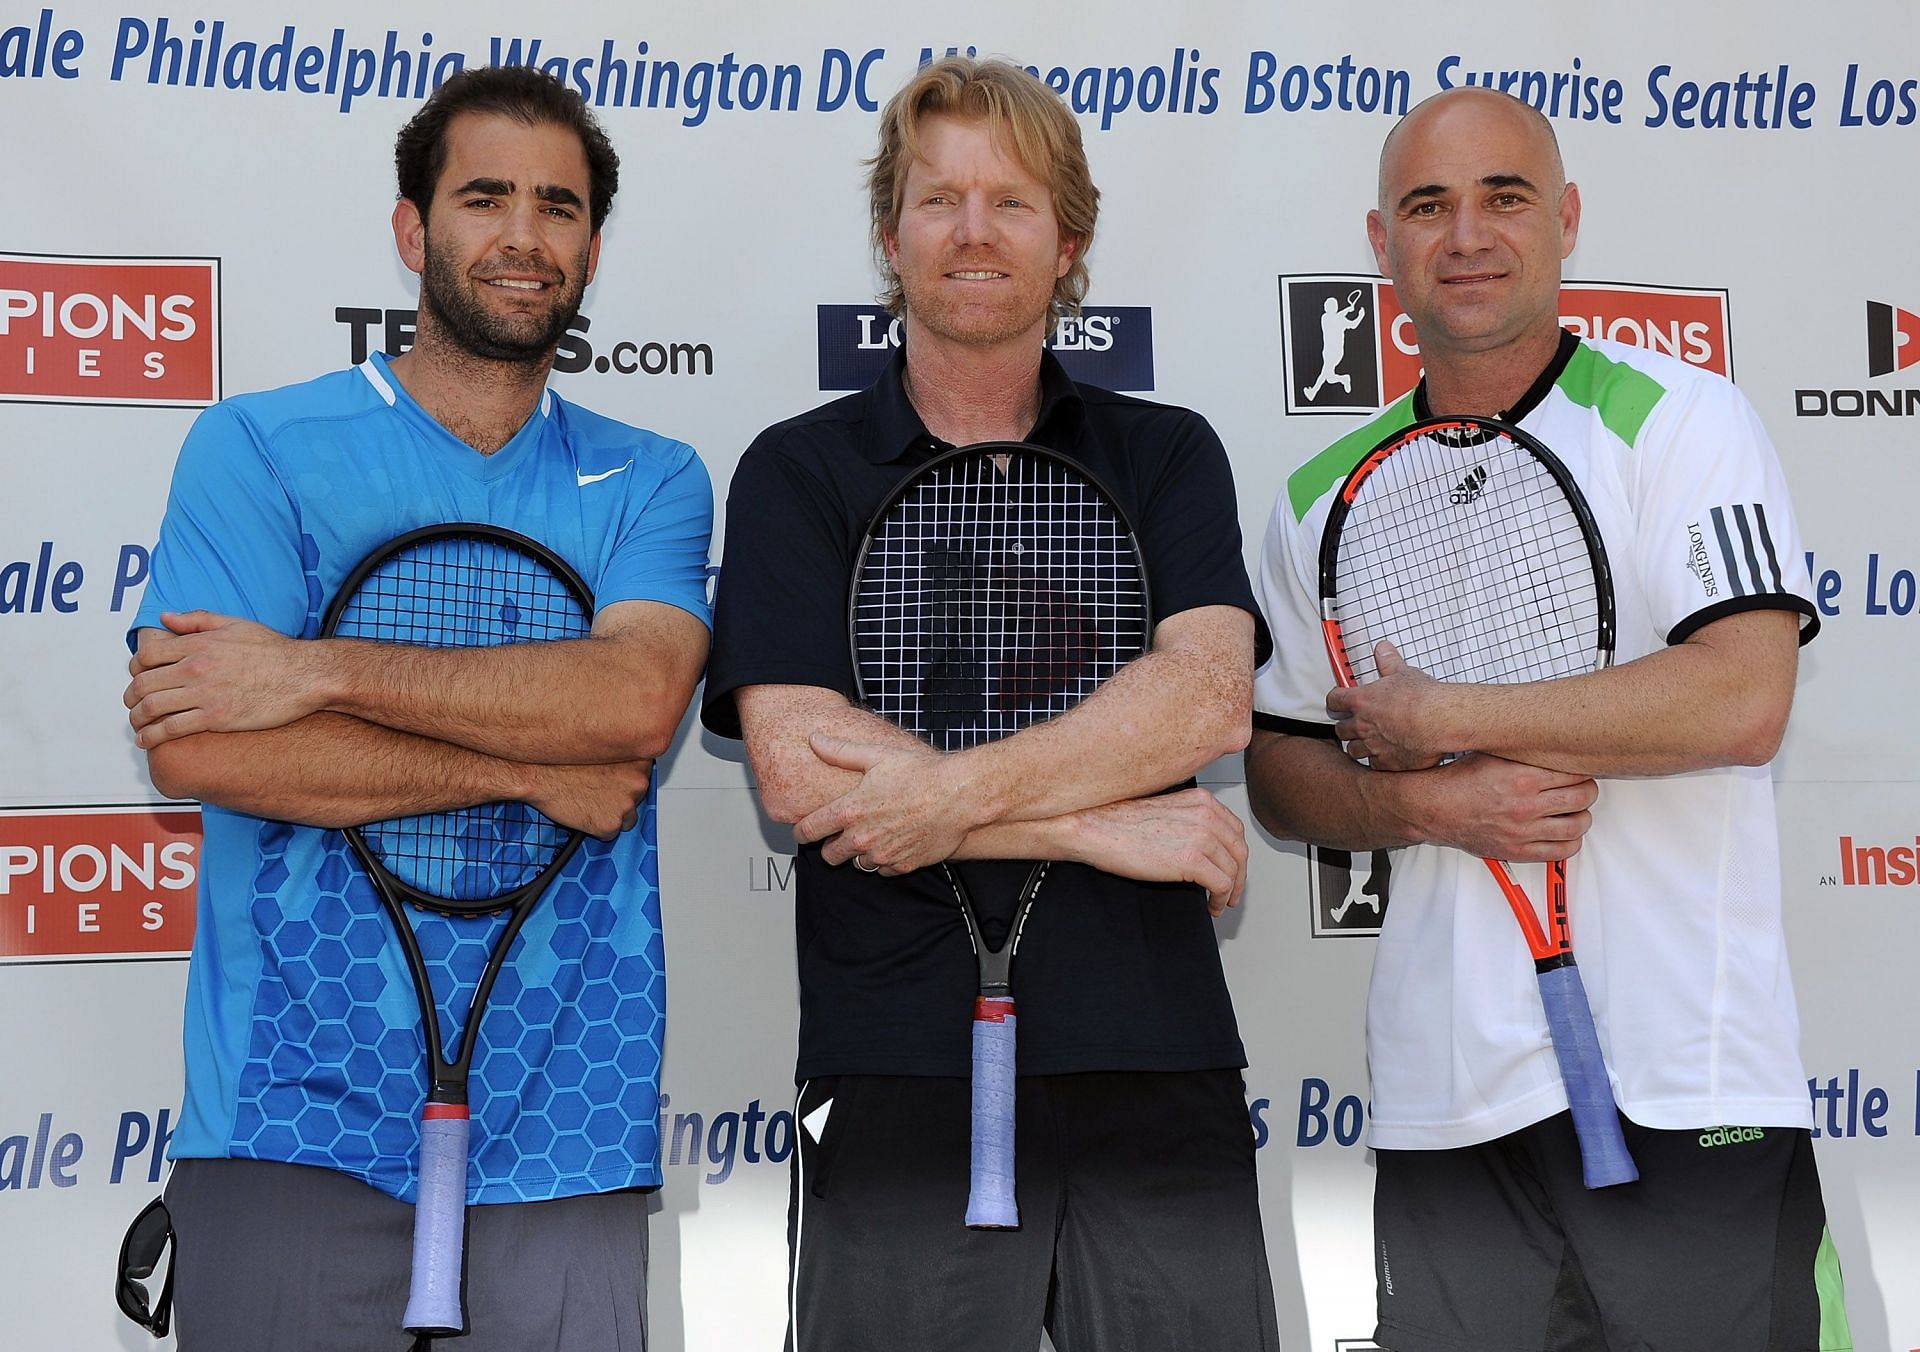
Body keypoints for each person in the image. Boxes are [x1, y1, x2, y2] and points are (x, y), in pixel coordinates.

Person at [1246, 87, 1851, 1351]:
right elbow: (1280, 769)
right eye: (1428, 205)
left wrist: (1445, 715)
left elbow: (1744, 693)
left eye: (1504, 197)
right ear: (1381, 241)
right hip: (1447, 1105)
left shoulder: (1683, 419)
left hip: (1688, 1083)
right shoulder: (1318, 495)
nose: (1466, 234)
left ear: (1566, 219)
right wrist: (1421, 802)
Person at [118, 65, 712, 1351]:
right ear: (411, 229)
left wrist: (315, 670)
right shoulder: (256, 447)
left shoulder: (653, 476)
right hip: (288, 1109)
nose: (521, 235)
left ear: (592, 250)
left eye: (557, 208)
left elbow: (637, 696)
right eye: (483, 196)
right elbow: (209, 741)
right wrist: (530, 763)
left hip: (568, 1116)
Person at [701, 55, 1279, 1352]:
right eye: (939, 198)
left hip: (1152, 1055)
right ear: (889, 235)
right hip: (899, 1062)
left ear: (1068, 240)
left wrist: (943, 796)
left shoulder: (1167, 452)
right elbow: (800, 776)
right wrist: (1098, 824)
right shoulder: (799, 472)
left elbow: (1204, 703)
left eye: (1010, 201)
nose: (972, 231)